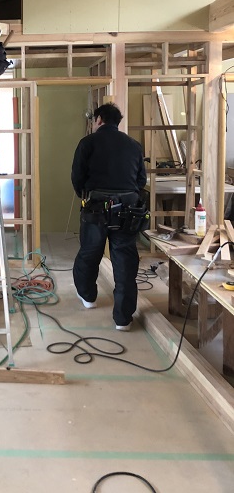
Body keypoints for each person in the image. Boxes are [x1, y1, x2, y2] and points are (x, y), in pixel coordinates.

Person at [71, 102, 148, 331]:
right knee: (125, 258)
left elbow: (77, 176)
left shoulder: (88, 142)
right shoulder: (134, 145)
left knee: (90, 252)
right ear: (117, 122)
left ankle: (88, 297)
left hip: (96, 207)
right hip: (128, 209)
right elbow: (141, 180)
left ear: (99, 120)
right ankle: (123, 319)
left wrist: (84, 194)